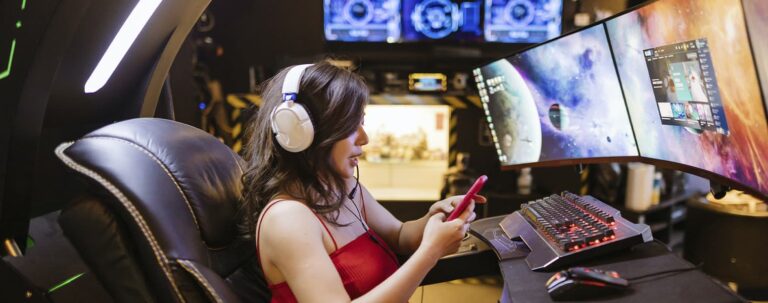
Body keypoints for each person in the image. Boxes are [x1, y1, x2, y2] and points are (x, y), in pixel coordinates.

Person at [240, 61, 486, 303]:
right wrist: (431, 251)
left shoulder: (341, 187)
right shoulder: (288, 219)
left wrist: (432, 219)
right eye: (350, 126)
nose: (364, 138)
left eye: (362, 123)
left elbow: (399, 236)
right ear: (300, 131)